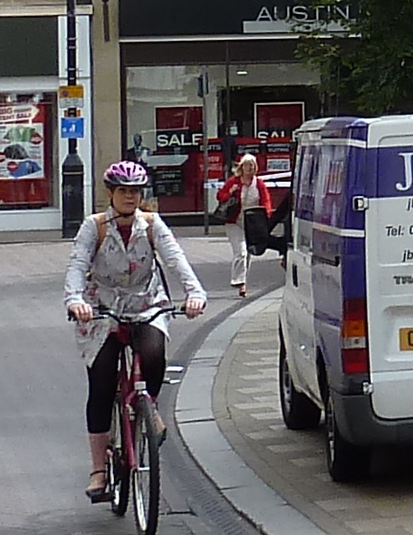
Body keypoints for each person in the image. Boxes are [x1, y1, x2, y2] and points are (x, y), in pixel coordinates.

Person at [65, 158, 204, 501]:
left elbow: (176, 260)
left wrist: (195, 292)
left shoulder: (153, 225)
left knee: (154, 351)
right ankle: (99, 470)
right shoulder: (93, 227)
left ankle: (149, 405)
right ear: (110, 193)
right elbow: (78, 264)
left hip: (147, 302)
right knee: (100, 383)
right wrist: (75, 300)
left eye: (135, 192)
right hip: (102, 309)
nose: (130, 198)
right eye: (123, 191)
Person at [224, 150, 277, 296]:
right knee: (240, 252)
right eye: (247, 165)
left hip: (251, 223)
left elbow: (266, 200)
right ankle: (238, 281)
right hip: (234, 222)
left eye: (253, 165)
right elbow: (220, 196)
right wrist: (230, 192)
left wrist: (266, 215)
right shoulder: (233, 181)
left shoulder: (259, 183)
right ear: (242, 167)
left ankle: (243, 283)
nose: (250, 168)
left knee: (248, 253)